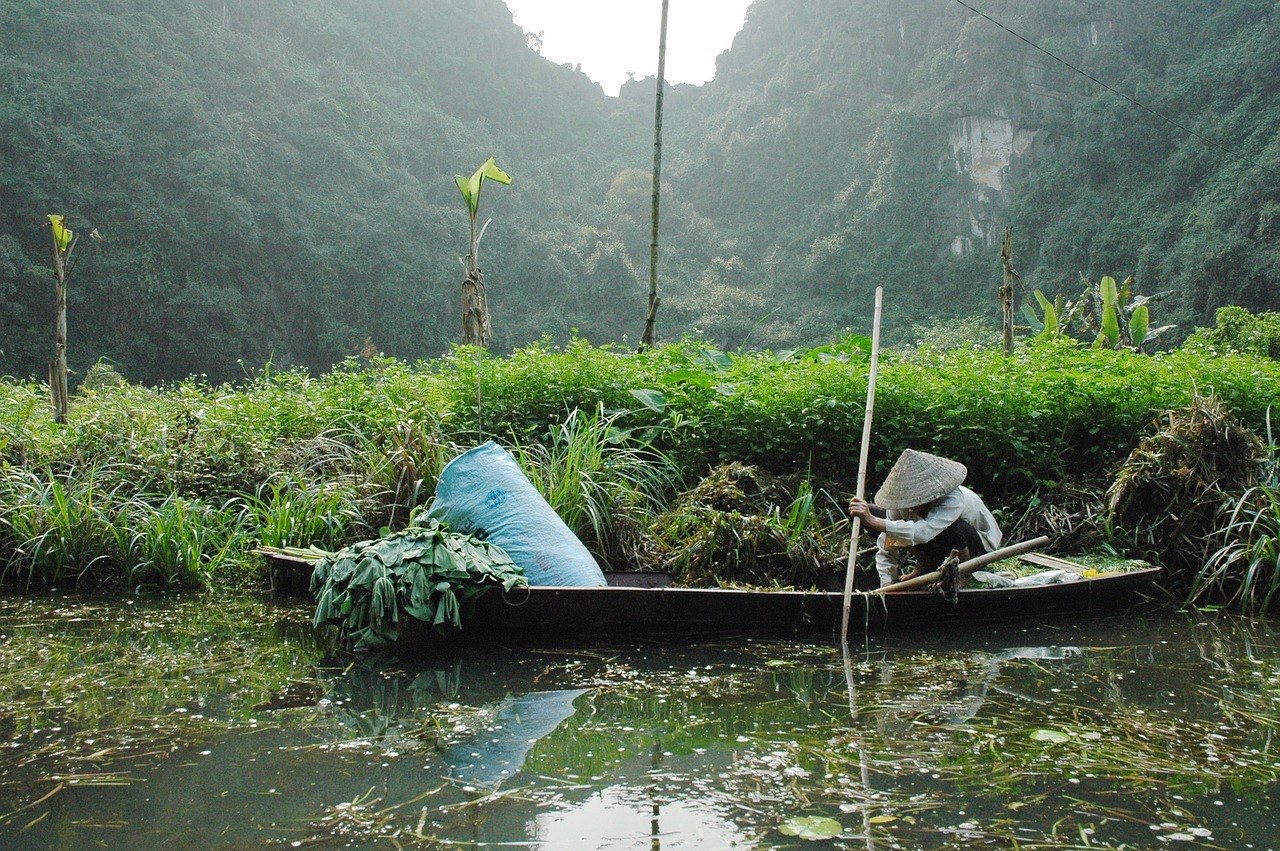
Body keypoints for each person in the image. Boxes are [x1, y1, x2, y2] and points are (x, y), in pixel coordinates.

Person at [848, 449, 1002, 588]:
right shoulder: (900, 506)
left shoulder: (953, 499)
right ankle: (925, 563)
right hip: (936, 543)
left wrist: (874, 521)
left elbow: (924, 532)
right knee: (892, 528)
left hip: (978, 546)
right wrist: (887, 584)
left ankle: (963, 573)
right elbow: (887, 544)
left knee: (951, 528)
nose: (914, 506)